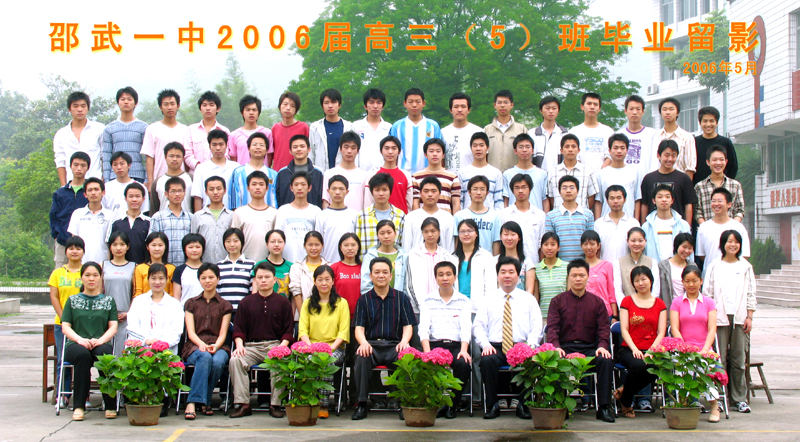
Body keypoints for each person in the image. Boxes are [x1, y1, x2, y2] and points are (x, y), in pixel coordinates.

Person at [547, 259, 615, 423]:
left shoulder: (597, 302)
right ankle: (559, 406)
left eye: (582, 275)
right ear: (568, 277)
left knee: (605, 360)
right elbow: (552, 327)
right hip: (565, 348)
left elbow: (603, 328)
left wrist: (602, 346)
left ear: (588, 277)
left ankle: (604, 407)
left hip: (590, 348)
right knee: (554, 359)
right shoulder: (557, 301)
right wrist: (556, 346)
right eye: (574, 275)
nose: (578, 279)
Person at [474, 256, 542, 419]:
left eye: (511, 272)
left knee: (530, 361)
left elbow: (537, 326)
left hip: (521, 346)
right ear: (497, 275)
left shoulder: (529, 299)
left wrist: (530, 345)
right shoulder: (488, 299)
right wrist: (485, 344)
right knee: (487, 361)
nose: (507, 276)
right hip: (495, 347)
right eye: (503, 272)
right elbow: (478, 326)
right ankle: (492, 405)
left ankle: (524, 405)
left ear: (518, 276)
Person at [350, 257, 417, 420]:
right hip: (371, 345)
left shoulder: (401, 298)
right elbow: (359, 328)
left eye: (385, 272)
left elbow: (408, 325)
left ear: (391, 275)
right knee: (361, 356)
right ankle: (362, 404)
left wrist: (404, 342)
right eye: (377, 272)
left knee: (407, 357)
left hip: (394, 345)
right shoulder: (364, 300)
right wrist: (363, 343)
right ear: (370, 275)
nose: (381, 275)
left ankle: (404, 404)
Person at [228, 261, 294, 418]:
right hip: (251, 346)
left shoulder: (283, 302)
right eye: (260, 277)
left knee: (282, 360)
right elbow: (239, 329)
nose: (263, 280)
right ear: (255, 280)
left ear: (274, 279)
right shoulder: (246, 302)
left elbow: (288, 330)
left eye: (267, 277)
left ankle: (276, 404)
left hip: (274, 345)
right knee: (235, 360)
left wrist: (282, 347)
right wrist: (239, 345)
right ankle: (243, 404)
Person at [703, 230, 757, 413]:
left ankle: (739, 399)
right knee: (719, 360)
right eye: (729, 241)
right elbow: (707, 294)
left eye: (736, 242)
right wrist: (709, 319)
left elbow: (751, 293)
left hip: (740, 319)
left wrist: (749, 316)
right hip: (719, 319)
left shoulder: (746, 267)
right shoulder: (714, 266)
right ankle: (718, 398)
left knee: (738, 360)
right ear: (723, 244)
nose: (732, 245)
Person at [60, 262, 118, 421]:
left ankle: (110, 405)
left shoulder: (108, 301)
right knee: (83, 356)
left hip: (101, 342)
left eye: (95, 275)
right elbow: (65, 327)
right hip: (76, 344)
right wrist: (80, 339)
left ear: (100, 278)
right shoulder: (72, 300)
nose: (91, 279)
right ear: (81, 278)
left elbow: (113, 327)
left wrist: (100, 340)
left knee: (105, 355)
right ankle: (79, 406)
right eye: (87, 275)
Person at [418, 261, 473, 418]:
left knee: (463, 364)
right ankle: (436, 403)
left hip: (456, 346)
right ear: (435, 278)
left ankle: (452, 405)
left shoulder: (464, 301)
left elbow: (466, 329)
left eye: (448, 274)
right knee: (428, 365)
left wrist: (464, 350)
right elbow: (424, 329)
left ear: (455, 277)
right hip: (434, 345)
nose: (445, 278)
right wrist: (427, 352)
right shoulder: (427, 301)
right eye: (440, 275)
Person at [182, 263, 233, 420]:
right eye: (203, 278)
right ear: (199, 280)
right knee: (204, 357)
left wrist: (215, 346)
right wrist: (202, 345)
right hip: (194, 345)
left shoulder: (225, 305)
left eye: (211, 277)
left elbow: (223, 333)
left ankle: (204, 400)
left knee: (217, 362)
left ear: (218, 279)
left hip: (219, 346)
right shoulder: (191, 303)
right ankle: (194, 402)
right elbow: (190, 332)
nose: (207, 281)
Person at [669, 266, 720, 422]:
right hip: (683, 349)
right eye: (687, 281)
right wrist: (685, 348)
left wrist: (704, 349)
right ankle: (685, 403)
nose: (691, 284)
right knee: (682, 368)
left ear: (701, 281)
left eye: (694, 281)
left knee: (706, 368)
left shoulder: (709, 302)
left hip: (704, 348)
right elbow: (675, 328)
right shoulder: (677, 302)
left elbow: (712, 329)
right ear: (682, 282)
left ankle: (714, 406)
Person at [614, 266, 667, 419]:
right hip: (629, 349)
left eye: (644, 279)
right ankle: (626, 403)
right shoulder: (627, 301)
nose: (641, 283)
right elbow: (624, 330)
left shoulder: (660, 304)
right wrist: (635, 349)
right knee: (639, 365)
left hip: (652, 349)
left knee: (658, 367)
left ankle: (624, 392)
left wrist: (651, 350)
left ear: (651, 280)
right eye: (636, 280)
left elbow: (661, 331)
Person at [299, 265, 350, 418]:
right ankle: (308, 400)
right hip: (311, 347)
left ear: (333, 281)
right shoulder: (307, 303)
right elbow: (303, 331)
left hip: (335, 348)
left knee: (326, 361)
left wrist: (330, 349)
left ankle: (323, 404)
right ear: (314, 281)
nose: (324, 283)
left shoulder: (341, 303)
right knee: (308, 360)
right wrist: (311, 348)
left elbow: (343, 332)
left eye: (327, 279)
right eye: (320, 279)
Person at [49, 236, 85, 402]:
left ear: (83, 251)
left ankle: (81, 395)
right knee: (63, 360)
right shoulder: (57, 273)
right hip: (62, 324)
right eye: (71, 248)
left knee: (82, 360)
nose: (74, 251)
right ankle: (62, 394)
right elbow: (54, 297)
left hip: (83, 324)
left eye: (78, 248)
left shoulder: (87, 271)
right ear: (66, 251)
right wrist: (64, 318)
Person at [330, 233, 363, 406]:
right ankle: (339, 397)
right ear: (340, 248)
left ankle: (356, 398)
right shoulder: (334, 268)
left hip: (359, 322)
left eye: (353, 245)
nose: (350, 248)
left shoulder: (364, 267)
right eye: (346, 245)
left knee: (357, 359)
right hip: (339, 322)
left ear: (358, 247)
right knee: (339, 360)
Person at [127, 263, 184, 356]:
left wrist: (160, 345)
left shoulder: (175, 304)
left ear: (167, 279)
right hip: (141, 352)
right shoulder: (138, 301)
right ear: (148, 279)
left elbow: (176, 331)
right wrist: (146, 341)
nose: (157, 282)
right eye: (153, 278)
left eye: (161, 278)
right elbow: (132, 327)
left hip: (166, 355)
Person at [406, 217, 457, 315]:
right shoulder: (413, 254)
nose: (430, 234)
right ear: (422, 233)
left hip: (443, 308)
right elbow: (410, 284)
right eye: (426, 231)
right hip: (419, 309)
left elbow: (452, 282)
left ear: (439, 232)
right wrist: (420, 305)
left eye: (433, 231)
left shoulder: (446, 256)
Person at [639, 139, 696, 224]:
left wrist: (688, 227)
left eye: (674, 155)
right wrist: (644, 226)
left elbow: (688, 205)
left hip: (676, 226)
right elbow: (645, 204)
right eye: (667, 155)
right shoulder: (649, 179)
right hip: (653, 225)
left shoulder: (683, 178)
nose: (670, 159)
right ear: (658, 155)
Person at [54, 91, 105, 185]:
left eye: (83, 106)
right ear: (69, 109)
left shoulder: (99, 129)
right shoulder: (61, 134)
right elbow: (60, 161)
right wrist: (64, 186)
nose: (80, 109)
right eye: (75, 106)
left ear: (88, 108)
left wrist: (103, 179)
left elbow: (105, 156)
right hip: (71, 184)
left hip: (95, 184)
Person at [696, 188, 750, 275]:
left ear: (729, 204)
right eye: (713, 201)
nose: (716, 204)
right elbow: (701, 255)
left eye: (720, 201)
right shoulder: (704, 227)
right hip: (710, 276)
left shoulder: (738, 227)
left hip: (732, 276)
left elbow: (745, 255)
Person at [389, 88, 442, 173]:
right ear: (405, 103)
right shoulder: (397, 126)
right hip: (403, 174)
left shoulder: (433, 126)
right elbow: (391, 152)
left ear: (423, 103)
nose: (414, 105)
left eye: (418, 102)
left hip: (428, 175)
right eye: (410, 102)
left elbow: (440, 152)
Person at [50, 152, 89, 268]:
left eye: (83, 165)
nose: (79, 168)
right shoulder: (60, 193)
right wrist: (56, 235)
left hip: (85, 244)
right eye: (76, 165)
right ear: (70, 166)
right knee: (61, 273)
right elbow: (53, 216)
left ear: (88, 168)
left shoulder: (90, 191)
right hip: (63, 242)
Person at [142, 89, 188, 184]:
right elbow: (149, 157)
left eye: (172, 104)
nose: (169, 107)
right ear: (160, 107)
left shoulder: (185, 130)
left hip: (181, 181)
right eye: (166, 104)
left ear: (178, 106)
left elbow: (187, 157)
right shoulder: (152, 129)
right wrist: (150, 182)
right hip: (159, 180)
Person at [275, 172, 322, 263]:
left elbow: (318, 239)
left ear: (309, 188)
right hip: (287, 261)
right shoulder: (283, 210)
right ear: (291, 188)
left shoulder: (316, 211)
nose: (299, 188)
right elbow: (278, 237)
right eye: (296, 185)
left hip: (309, 263)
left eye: (303, 184)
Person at [355, 173, 406, 259]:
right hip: (367, 265)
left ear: (390, 191)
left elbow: (403, 244)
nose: (381, 193)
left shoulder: (400, 216)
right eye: (377, 190)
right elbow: (356, 244)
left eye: (384, 190)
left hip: (393, 265)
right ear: (372, 192)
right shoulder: (362, 216)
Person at [102, 86, 147, 183]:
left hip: (137, 175)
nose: (126, 102)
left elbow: (148, 156)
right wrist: (106, 180)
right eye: (122, 99)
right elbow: (106, 155)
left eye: (129, 99)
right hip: (115, 177)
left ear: (135, 103)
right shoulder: (109, 129)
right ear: (118, 102)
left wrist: (147, 179)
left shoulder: (144, 127)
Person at [545, 176, 595, 262]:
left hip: (582, 263)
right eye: (564, 188)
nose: (568, 191)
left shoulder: (588, 214)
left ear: (577, 191)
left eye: (572, 187)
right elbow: (549, 242)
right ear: (559, 192)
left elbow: (591, 240)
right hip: (559, 264)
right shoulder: (551, 216)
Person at [231, 171, 278, 262]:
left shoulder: (274, 213)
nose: (257, 187)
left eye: (261, 184)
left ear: (267, 188)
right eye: (254, 184)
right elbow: (234, 239)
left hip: (268, 263)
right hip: (244, 263)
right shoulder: (239, 212)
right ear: (248, 188)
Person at [594, 133, 642, 219]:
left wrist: (636, 222)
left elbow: (637, 199)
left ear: (627, 150)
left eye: (622, 148)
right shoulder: (601, 174)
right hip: (606, 221)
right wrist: (597, 222)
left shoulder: (635, 172)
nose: (619, 151)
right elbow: (598, 201)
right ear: (609, 150)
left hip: (629, 221)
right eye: (615, 148)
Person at [102, 231, 135, 356]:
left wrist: (129, 312)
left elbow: (135, 292)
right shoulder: (103, 265)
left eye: (122, 244)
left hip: (125, 315)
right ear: (110, 247)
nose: (118, 248)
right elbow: (99, 291)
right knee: (106, 351)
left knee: (123, 351)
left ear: (128, 246)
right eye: (115, 244)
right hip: (106, 315)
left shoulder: (134, 267)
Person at [694, 145, 745, 224]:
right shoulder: (699, 186)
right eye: (714, 160)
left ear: (726, 161)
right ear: (708, 162)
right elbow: (697, 211)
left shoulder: (735, 185)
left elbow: (740, 210)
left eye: (721, 160)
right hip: (708, 229)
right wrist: (705, 227)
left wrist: (732, 226)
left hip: (730, 229)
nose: (718, 163)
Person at [501, 173, 547, 260]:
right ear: (512, 191)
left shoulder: (540, 215)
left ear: (530, 189)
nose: (520, 191)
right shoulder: (504, 214)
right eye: (517, 188)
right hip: (511, 264)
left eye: (524, 187)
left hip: (534, 262)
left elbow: (542, 244)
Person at [227, 132, 279, 210]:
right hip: (243, 215)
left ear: (267, 150)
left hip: (269, 216)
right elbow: (233, 201)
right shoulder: (238, 173)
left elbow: (275, 198)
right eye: (254, 145)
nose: (258, 147)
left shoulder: (273, 174)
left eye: (261, 145)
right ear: (248, 148)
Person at [67, 177, 113, 263]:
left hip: (103, 262)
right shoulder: (77, 214)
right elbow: (74, 240)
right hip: (81, 262)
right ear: (85, 194)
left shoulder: (110, 215)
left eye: (96, 189)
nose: (93, 193)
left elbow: (111, 242)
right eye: (90, 190)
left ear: (103, 192)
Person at [546, 134, 598, 210]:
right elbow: (551, 197)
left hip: (581, 215)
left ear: (578, 150)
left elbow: (592, 197)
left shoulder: (587, 171)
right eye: (567, 147)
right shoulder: (553, 172)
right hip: (559, 216)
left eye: (573, 146)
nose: (570, 149)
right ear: (561, 150)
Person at [453, 175, 502, 256]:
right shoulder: (459, 216)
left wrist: (494, 261)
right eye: (475, 189)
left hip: (487, 259)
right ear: (469, 192)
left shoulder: (494, 216)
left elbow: (496, 242)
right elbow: (457, 242)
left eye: (482, 189)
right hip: (465, 259)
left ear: (487, 193)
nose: (478, 193)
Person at [183, 91, 230, 175]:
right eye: (204, 105)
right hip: (195, 174)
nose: (208, 108)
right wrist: (199, 167)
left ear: (218, 108)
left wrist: (213, 167)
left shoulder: (224, 131)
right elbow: (187, 154)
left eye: (211, 105)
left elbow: (226, 154)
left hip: (218, 174)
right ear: (200, 109)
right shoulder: (190, 130)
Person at [403, 176, 455, 252]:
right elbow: (406, 246)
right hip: (416, 259)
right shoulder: (411, 217)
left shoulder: (448, 217)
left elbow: (450, 247)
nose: (430, 194)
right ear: (420, 193)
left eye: (434, 191)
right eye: (426, 191)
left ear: (439, 193)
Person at [363, 136, 414, 214]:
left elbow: (409, 203)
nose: (390, 152)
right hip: (377, 219)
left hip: (400, 218)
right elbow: (368, 201)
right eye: (386, 148)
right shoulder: (372, 175)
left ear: (399, 152)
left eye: (394, 148)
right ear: (381, 151)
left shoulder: (406, 175)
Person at [642, 184, 692, 262]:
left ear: (672, 200)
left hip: (678, 266)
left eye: (667, 197)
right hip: (653, 266)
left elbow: (689, 249)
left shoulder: (683, 225)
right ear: (654, 201)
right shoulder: (647, 226)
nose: (664, 200)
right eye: (660, 197)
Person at [149, 176, 192, 266]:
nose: (177, 194)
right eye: (173, 191)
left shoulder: (191, 217)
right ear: (166, 194)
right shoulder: (158, 217)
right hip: (164, 267)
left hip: (186, 266)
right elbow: (152, 243)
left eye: (180, 191)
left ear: (184, 193)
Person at [191, 130, 238, 211]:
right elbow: (198, 196)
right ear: (209, 146)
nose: (218, 148)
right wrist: (198, 217)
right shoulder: (201, 168)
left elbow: (239, 195)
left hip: (231, 214)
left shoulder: (235, 168)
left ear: (226, 145)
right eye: (214, 145)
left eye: (221, 144)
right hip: (207, 214)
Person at [191, 176, 234, 263]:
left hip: (227, 263)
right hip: (204, 264)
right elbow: (193, 241)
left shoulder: (232, 215)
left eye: (219, 189)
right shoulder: (198, 216)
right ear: (206, 192)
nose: (215, 192)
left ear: (225, 191)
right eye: (211, 189)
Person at [289, 231, 331, 321]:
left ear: (322, 246)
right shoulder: (296, 267)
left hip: (325, 318)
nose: (313, 248)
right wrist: (304, 318)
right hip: (301, 318)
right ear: (304, 246)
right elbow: (296, 294)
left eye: (317, 245)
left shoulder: (329, 267)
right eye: (310, 245)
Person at [412, 138, 461, 213]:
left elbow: (456, 203)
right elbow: (415, 203)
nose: (435, 154)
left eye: (438, 151)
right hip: (423, 219)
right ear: (425, 154)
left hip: (445, 219)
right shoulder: (416, 177)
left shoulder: (453, 177)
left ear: (443, 155)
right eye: (431, 151)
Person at [316, 175, 358, 263]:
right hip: (327, 264)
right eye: (334, 189)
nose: (337, 192)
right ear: (328, 191)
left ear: (347, 192)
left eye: (341, 189)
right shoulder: (321, 215)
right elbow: (318, 242)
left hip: (348, 264)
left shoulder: (354, 215)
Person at [321, 131, 368, 211]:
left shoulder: (364, 175)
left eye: (353, 148)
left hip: (357, 217)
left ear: (358, 151)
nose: (349, 151)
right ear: (340, 149)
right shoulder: (329, 174)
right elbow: (326, 201)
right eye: (346, 147)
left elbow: (366, 202)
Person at [613, 227, 660, 305]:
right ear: (627, 241)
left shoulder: (652, 262)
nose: (637, 244)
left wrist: (649, 305)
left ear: (645, 241)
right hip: (626, 307)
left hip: (648, 306)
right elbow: (618, 290)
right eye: (633, 241)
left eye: (640, 241)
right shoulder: (619, 263)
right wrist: (625, 306)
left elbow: (655, 288)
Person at [594, 185, 641, 263]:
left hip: (627, 268)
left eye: (619, 198)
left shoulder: (633, 223)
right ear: (607, 200)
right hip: (605, 267)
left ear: (625, 199)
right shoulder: (598, 224)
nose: (615, 201)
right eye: (612, 198)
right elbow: (596, 250)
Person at [570, 92, 614, 175]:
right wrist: (584, 173)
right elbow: (574, 156)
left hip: (603, 176)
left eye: (595, 104)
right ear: (582, 107)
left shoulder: (608, 131)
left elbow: (610, 155)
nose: (592, 107)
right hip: (580, 175)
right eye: (589, 104)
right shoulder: (574, 132)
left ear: (599, 108)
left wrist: (601, 174)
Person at [309, 88, 353, 171]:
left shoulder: (349, 127)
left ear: (339, 105)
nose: (330, 106)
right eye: (326, 103)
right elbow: (311, 154)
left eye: (333, 102)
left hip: (343, 173)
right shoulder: (315, 127)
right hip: (321, 172)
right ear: (322, 105)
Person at [483, 90, 527, 172]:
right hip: (492, 175)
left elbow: (527, 154)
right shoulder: (487, 130)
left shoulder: (521, 129)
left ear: (512, 105)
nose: (502, 105)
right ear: (495, 105)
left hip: (515, 175)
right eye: (499, 102)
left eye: (506, 102)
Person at [503, 134, 549, 212]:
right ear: (515, 151)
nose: (524, 150)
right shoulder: (507, 174)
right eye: (521, 147)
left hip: (536, 217)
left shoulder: (542, 174)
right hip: (513, 217)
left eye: (527, 147)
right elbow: (506, 200)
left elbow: (544, 200)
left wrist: (545, 217)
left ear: (533, 150)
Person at [458, 132, 503, 211]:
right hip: (467, 217)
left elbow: (498, 202)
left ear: (487, 148)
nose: (478, 149)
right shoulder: (462, 173)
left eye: (481, 145)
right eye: (475, 145)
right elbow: (460, 201)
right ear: (471, 148)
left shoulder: (496, 173)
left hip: (489, 217)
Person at [275, 134, 324, 207]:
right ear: (290, 151)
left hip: (313, 213)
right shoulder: (282, 173)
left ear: (309, 149)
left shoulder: (318, 173)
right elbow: (277, 197)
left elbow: (322, 198)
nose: (298, 149)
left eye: (302, 146)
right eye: (295, 147)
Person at [360, 220, 408, 295]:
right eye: (382, 233)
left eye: (389, 232)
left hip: (398, 299)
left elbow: (406, 284)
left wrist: (401, 299)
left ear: (395, 233)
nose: (386, 236)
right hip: (374, 300)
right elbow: (366, 284)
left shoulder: (403, 256)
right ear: (377, 235)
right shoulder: (369, 257)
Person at [694, 106, 738, 185]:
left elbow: (733, 167)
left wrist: (725, 185)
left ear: (716, 123)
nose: (708, 124)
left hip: (721, 188)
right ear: (700, 123)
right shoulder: (693, 142)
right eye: (705, 121)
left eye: (711, 121)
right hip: (698, 188)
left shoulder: (726, 142)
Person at [617, 95, 659, 176]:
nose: (634, 112)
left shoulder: (652, 134)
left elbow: (655, 162)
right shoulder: (619, 135)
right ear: (625, 111)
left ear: (643, 111)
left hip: (646, 180)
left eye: (638, 109)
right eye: (631, 109)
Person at [351, 88, 392, 173]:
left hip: (383, 174)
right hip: (361, 173)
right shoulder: (356, 126)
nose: (375, 106)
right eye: (371, 102)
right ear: (365, 106)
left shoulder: (389, 128)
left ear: (383, 106)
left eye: (379, 102)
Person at [442, 92, 482, 177]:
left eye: (463, 106)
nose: (459, 110)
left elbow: (484, 159)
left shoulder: (478, 132)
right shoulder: (443, 133)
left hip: (473, 180)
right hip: (449, 180)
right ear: (450, 110)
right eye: (456, 107)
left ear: (469, 110)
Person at [656, 98, 697, 180]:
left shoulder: (687, 137)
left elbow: (690, 168)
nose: (668, 112)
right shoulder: (655, 137)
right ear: (660, 113)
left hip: (679, 182)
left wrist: (686, 185)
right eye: (664, 109)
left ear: (677, 113)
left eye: (671, 109)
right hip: (658, 182)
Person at [229, 95, 274, 168]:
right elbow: (234, 159)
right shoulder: (233, 135)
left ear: (259, 112)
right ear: (242, 112)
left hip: (262, 174)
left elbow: (269, 157)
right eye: (248, 110)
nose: (251, 113)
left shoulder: (267, 133)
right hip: (242, 174)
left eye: (254, 110)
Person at [216, 228, 255, 313]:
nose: (232, 244)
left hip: (243, 312)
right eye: (228, 241)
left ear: (242, 242)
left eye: (235, 241)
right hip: (223, 313)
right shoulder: (218, 266)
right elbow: (216, 291)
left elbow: (253, 291)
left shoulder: (251, 264)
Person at [582, 230, 617, 320]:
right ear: (581, 246)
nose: (589, 247)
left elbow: (611, 292)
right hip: (583, 314)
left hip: (604, 313)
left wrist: (615, 316)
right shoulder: (578, 266)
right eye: (585, 244)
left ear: (598, 246)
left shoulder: (607, 266)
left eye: (592, 244)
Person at [103, 151, 150, 217]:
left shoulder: (140, 187)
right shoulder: (106, 187)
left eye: (122, 164)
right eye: (115, 164)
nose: (119, 167)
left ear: (129, 165)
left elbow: (145, 210)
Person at [271, 92, 310, 172]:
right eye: (285, 104)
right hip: (278, 172)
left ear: (296, 109)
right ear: (280, 107)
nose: (288, 108)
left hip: (299, 172)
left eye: (292, 106)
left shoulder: (303, 127)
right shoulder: (275, 128)